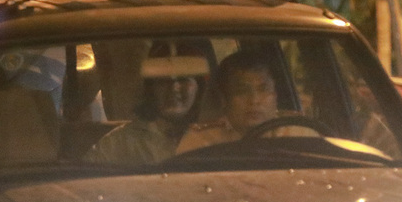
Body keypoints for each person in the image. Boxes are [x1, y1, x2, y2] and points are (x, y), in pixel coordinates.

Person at [84, 41, 209, 165]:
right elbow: (83, 179)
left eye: (183, 79)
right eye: (163, 80)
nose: (174, 87)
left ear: (199, 87)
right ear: (151, 88)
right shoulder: (119, 144)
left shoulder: (215, 139)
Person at [177, 49, 315, 153]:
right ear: (224, 98)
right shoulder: (201, 142)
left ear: (275, 94)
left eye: (263, 90)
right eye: (242, 91)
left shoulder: (300, 134)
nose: (254, 100)